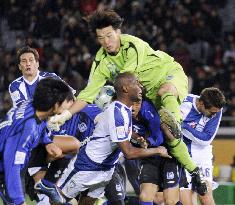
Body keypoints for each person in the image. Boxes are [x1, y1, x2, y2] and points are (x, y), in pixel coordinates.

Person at [49, 10, 204, 183]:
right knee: (167, 136)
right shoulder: (101, 60)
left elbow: (127, 79)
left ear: (118, 32)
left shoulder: (132, 45)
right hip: (144, 94)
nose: (106, 42)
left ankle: (176, 122)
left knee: (166, 95)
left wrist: (109, 105)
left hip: (167, 74)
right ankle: (194, 171)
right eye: (101, 38)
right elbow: (88, 93)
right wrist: (65, 115)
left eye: (109, 35)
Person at [35, 72, 171, 205]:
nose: (140, 86)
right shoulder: (117, 113)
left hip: (106, 168)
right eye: (136, 83)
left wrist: (135, 137)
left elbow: (119, 132)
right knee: (58, 198)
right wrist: (158, 150)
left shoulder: (125, 110)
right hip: (88, 165)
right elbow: (128, 153)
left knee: (88, 202)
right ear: (125, 88)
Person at [0, 77, 78, 205]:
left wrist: (47, 142)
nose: (69, 106)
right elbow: (12, 166)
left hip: (15, 156)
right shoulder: (27, 128)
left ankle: (44, 184)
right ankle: (33, 186)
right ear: (56, 104)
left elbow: (40, 127)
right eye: (67, 101)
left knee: (71, 145)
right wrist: (19, 201)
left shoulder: (34, 107)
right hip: (5, 168)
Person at [130, 99, 187, 205]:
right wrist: (138, 140)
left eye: (137, 104)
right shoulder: (123, 117)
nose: (133, 108)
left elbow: (159, 138)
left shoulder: (150, 110)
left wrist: (147, 141)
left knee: (170, 200)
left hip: (169, 156)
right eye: (131, 104)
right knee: (145, 196)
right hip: (150, 157)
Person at [179, 87, 226, 205]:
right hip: (182, 157)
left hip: (202, 157)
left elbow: (206, 138)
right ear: (201, 103)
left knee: (206, 197)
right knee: (187, 202)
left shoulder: (217, 110)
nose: (213, 115)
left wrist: (182, 126)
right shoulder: (183, 102)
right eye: (211, 112)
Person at [9, 46, 75, 107]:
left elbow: (71, 95)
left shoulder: (51, 77)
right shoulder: (15, 85)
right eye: (24, 61)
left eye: (31, 60)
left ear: (37, 64)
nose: (28, 64)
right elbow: (23, 109)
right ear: (20, 67)